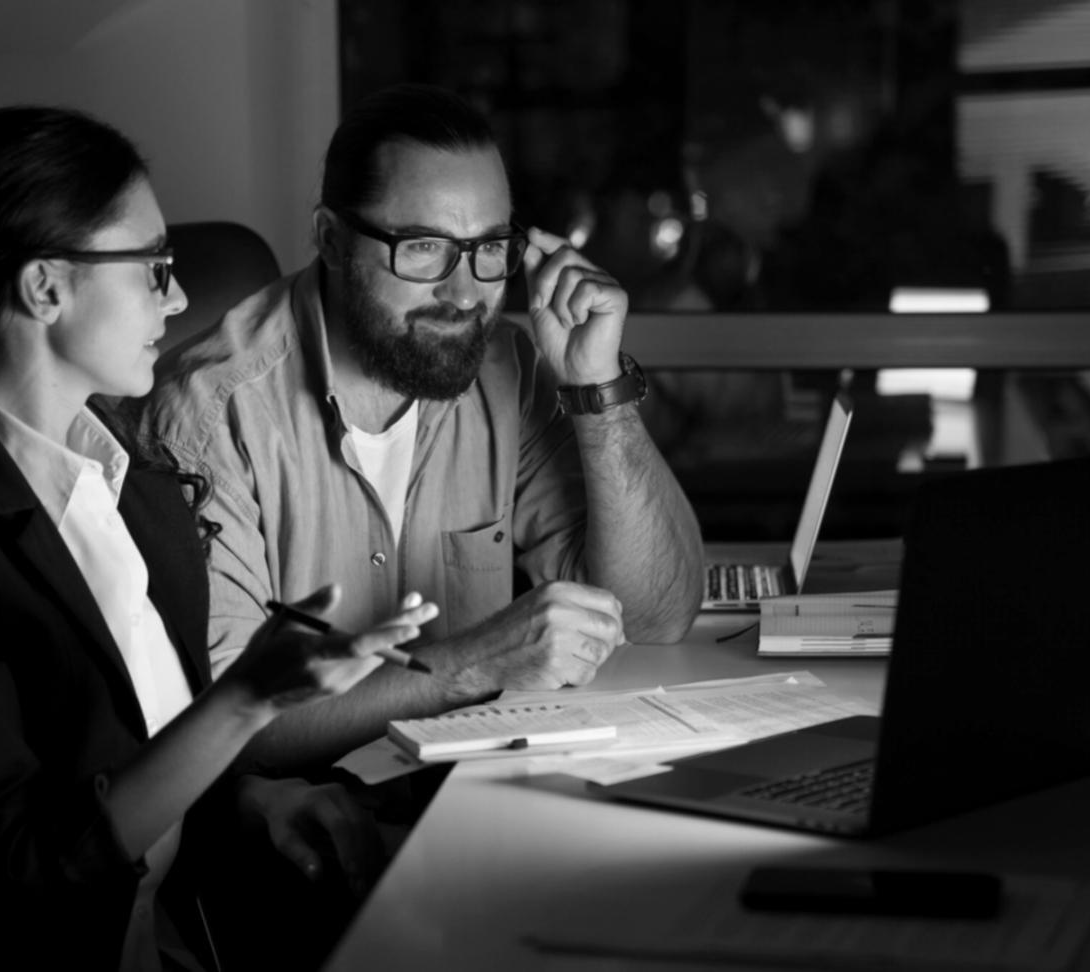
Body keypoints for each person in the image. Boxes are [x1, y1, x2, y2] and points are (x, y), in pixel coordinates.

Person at [0, 105, 436, 972]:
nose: (175, 297)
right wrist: (248, 699)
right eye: (154, 267)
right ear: (46, 286)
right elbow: (11, 865)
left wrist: (249, 802)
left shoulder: (133, 479)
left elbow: (143, 759)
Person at [143, 83, 705, 770]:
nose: (464, 293)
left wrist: (599, 390)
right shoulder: (208, 415)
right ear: (330, 238)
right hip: (310, 841)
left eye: (488, 248)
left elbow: (654, 616)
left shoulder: (508, 372)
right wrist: (473, 664)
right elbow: (225, 730)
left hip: (476, 798)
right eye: (423, 249)